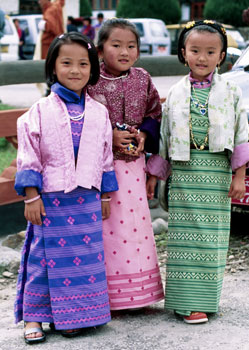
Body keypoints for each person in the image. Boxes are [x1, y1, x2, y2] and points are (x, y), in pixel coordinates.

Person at [14, 32, 118, 344]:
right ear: (53, 67)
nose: (75, 70)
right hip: (50, 199)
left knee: (83, 259)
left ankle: (73, 316)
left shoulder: (99, 112)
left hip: (86, 199)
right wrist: (31, 196)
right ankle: (34, 317)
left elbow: (105, 157)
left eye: (83, 64)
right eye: (67, 63)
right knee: (42, 259)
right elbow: (27, 153)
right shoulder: (39, 110)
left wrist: (105, 194)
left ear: (93, 69)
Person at [157, 20, 249, 324]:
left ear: (222, 55)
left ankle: (204, 300)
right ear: (183, 53)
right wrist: (156, 176)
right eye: (195, 50)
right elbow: (164, 136)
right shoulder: (174, 92)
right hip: (184, 175)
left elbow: (241, 134)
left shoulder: (231, 91)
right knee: (183, 241)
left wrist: (239, 176)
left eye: (210, 51)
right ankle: (184, 302)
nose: (202, 58)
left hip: (216, 174)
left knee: (211, 240)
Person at [88, 18, 168, 311]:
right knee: (107, 229)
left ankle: (140, 294)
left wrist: (145, 134)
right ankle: (110, 295)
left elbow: (155, 113)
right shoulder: (90, 80)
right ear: (99, 50)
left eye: (131, 45)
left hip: (134, 169)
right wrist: (109, 134)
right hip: (100, 169)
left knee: (135, 228)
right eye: (116, 45)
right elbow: (80, 120)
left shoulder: (143, 78)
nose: (125, 51)